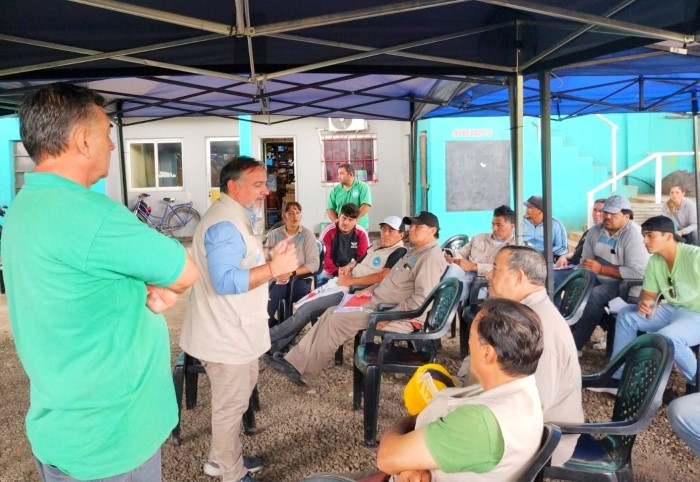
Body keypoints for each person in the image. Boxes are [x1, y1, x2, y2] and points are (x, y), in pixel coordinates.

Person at [1, 82, 200, 482]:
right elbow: (185, 270)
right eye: (107, 132)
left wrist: (137, 285)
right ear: (82, 140)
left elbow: (81, 284)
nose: (111, 144)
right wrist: (163, 288)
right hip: (112, 438)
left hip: (63, 425)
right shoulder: (91, 214)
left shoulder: (25, 205)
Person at [180, 157, 299, 482]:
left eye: (265, 184)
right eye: (258, 184)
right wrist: (273, 269)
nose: (265, 191)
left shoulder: (235, 216)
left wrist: (269, 257)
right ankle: (230, 473)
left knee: (237, 398)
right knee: (229, 408)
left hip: (234, 332)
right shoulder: (224, 224)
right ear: (233, 187)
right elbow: (225, 280)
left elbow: (240, 259)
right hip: (224, 335)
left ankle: (222, 458)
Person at [265, 211, 445, 386]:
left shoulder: (430, 257)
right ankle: (295, 361)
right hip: (376, 302)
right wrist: (368, 290)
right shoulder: (415, 252)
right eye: (411, 225)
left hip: (393, 314)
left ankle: (302, 372)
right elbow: (389, 281)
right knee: (330, 312)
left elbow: (421, 299)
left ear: (432, 231)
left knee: (336, 321)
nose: (412, 229)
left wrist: (389, 316)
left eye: (418, 226)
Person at [375, 298, 544, 482]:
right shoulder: (520, 390)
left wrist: (404, 424)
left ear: (487, 353)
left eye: (471, 337)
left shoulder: (480, 423)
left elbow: (387, 458)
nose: (469, 345)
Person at [479, 245, 584, 465]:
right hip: (517, 423)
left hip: (543, 439)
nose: (489, 275)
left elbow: (532, 405)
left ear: (518, 277)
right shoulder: (523, 316)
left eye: (495, 268)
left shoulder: (537, 328)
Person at [268, 216, 407, 354]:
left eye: (391, 231)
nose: (385, 233)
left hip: (355, 291)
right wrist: (348, 267)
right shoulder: (376, 245)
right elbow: (357, 262)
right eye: (383, 229)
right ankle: (276, 345)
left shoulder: (398, 252)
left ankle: (268, 339)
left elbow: (382, 276)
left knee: (308, 308)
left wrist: (350, 281)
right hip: (344, 282)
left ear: (401, 235)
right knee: (306, 307)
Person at [610, 215, 700, 393]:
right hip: (674, 310)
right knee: (627, 316)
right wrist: (644, 303)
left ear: (668, 236)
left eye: (650, 236)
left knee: (668, 337)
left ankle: (695, 382)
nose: (644, 241)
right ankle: (618, 378)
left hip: (696, 315)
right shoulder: (655, 261)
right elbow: (648, 296)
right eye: (644, 236)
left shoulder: (694, 256)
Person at [570, 195, 649, 354]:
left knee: (594, 296)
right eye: (606, 212)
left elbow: (638, 272)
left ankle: (575, 345)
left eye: (613, 214)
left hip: (627, 284)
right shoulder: (595, 231)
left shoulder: (634, 235)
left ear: (627, 216)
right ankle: (565, 335)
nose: (607, 216)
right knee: (575, 288)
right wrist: (584, 276)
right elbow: (586, 259)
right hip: (598, 278)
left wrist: (602, 269)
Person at [443, 205, 515, 303]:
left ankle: (441, 300)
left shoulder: (515, 247)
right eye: (493, 224)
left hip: (484, 283)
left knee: (451, 291)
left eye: (499, 225)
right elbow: (461, 253)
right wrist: (453, 258)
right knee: (453, 268)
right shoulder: (479, 238)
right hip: (464, 275)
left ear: (512, 225)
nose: (494, 228)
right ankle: (442, 297)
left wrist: (473, 267)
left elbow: (504, 269)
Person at [264, 201, 319, 326]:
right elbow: (266, 259)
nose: (295, 216)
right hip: (277, 278)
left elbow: (314, 263)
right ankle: (275, 329)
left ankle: (284, 332)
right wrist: (275, 272)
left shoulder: (307, 235)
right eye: (291, 213)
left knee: (274, 294)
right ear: (284, 216)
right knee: (264, 304)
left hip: (299, 279)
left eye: (298, 213)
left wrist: (291, 273)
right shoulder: (274, 234)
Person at [553, 198, 606, 287]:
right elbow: (576, 252)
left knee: (552, 278)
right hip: (572, 266)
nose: (597, 214)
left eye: (601, 211)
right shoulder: (589, 232)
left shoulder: (605, 236)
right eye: (595, 210)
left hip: (584, 272)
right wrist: (563, 256)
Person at [318, 202, 370, 284]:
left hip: (350, 270)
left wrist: (350, 272)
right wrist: (337, 273)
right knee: (323, 284)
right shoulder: (328, 232)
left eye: (350, 220)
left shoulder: (361, 233)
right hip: (329, 271)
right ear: (339, 216)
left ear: (356, 221)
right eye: (344, 218)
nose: (346, 222)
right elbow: (324, 259)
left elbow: (363, 258)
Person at [327, 162, 372, 230]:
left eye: (341, 174)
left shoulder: (363, 187)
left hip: (359, 227)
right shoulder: (335, 190)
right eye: (338, 174)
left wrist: (353, 221)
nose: (339, 176)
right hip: (342, 229)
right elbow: (330, 209)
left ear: (350, 174)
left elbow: (366, 206)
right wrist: (337, 222)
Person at [522, 195, 568, 260]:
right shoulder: (520, 221)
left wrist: (543, 254)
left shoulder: (554, 223)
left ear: (540, 211)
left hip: (546, 259)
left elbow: (562, 247)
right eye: (527, 207)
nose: (527, 210)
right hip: (524, 258)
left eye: (531, 207)